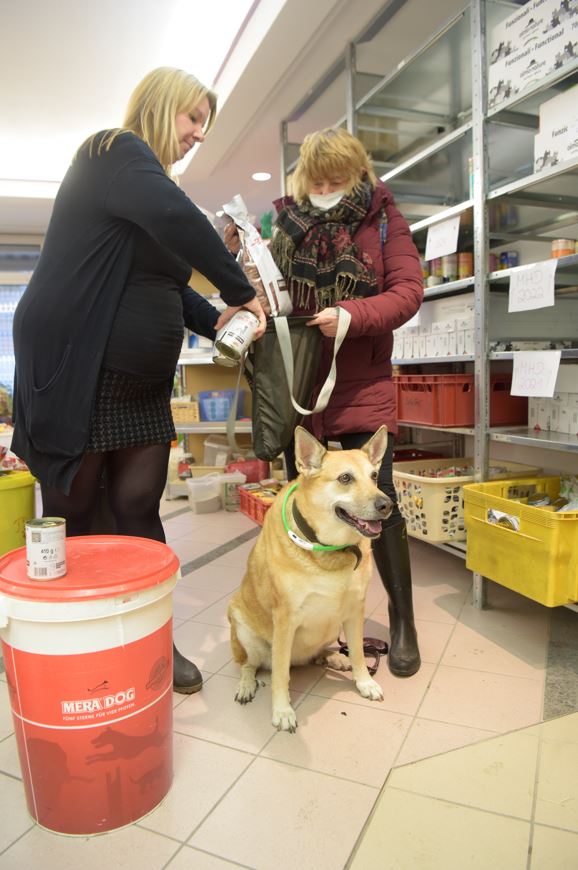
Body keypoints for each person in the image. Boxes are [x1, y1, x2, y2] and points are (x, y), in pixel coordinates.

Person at [11, 66, 266, 695]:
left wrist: (222, 320)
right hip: (80, 370)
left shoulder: (147, 192)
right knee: (76, 512)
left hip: (141, 390)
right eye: (193, 119)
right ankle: (69, 643)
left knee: (137, 510)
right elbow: (178, 220)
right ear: (161, 107)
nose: (199, 135)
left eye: (206, 124)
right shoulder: (112, 152)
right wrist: (242, 288)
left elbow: (168, 288)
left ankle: (152, 643)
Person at [226, 127, 423, 676]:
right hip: (301, 383)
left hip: (361, 383)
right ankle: (313, 615)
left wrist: (353, 316)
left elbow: (408, 292)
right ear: (303, 180)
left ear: (358, 175)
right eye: (318, 181)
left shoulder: (383, 219)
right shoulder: (282, 223)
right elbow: (270, 293)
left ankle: (403, 620)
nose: (327, 189)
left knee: (377, 504)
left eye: (338, 179)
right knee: (306, 505)